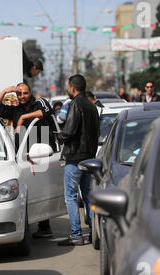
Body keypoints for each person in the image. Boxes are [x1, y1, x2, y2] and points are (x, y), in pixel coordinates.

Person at [0, 82, 56, 238]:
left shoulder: (40, 102)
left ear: (30, 92)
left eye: (25, 93)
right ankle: (26, 223)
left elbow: (46, 112)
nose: (22, 97)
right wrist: (6, 91)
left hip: (41, 155)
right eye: (19, 94)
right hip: (22, 157)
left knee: (42, 190)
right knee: (25, 191)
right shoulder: (14, 109)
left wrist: (23, 118)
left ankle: (45, 226)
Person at [56, 74, 100, 246]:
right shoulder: (91, 106)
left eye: (68, 86)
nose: (68, 89)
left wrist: (60, 137)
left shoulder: (75, 104)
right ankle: (92, 233)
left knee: (71, 197)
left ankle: (76, 234)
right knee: (88, 196)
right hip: (89, 157)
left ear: (72, 87)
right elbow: (96, 132)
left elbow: (70, 130)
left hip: (75, 157)